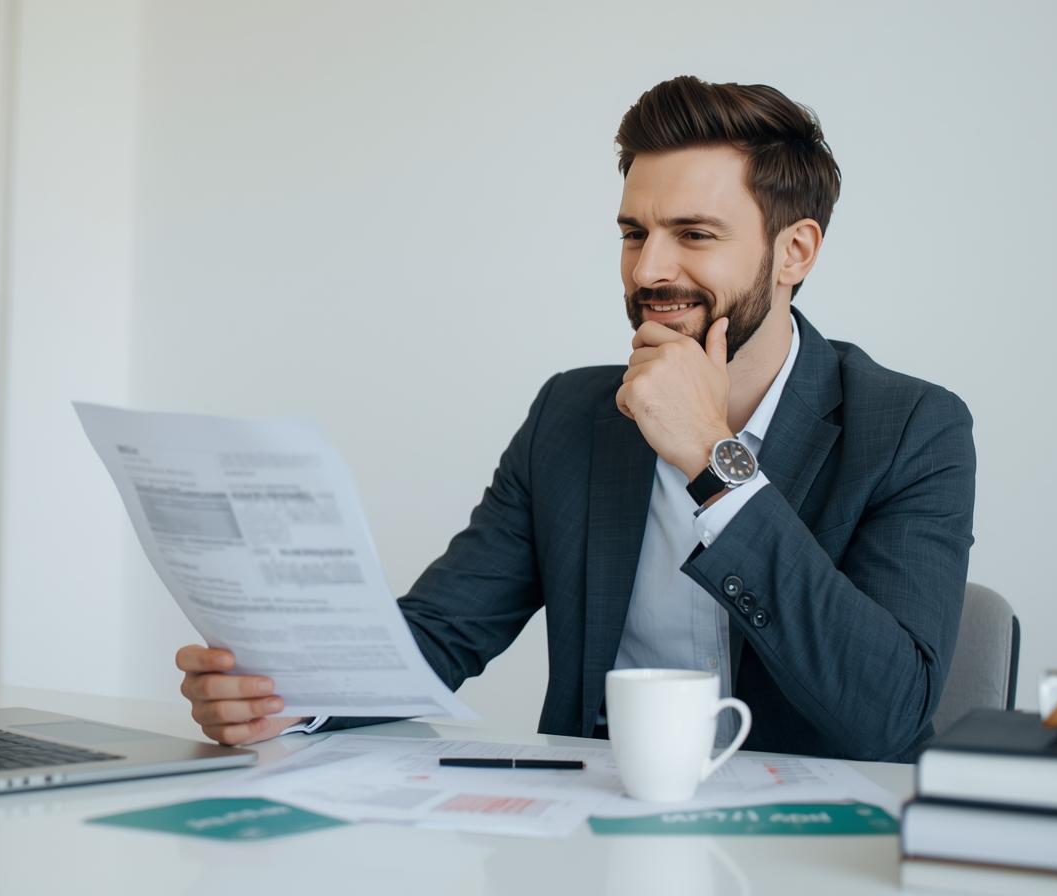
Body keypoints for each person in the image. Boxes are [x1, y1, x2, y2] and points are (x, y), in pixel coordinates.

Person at [175, 75, 975, 762]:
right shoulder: (574, 413)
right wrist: (288, 697)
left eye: (694, 234)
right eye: (635, 234)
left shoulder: (912, 429)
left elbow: (888, 717)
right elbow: (446, 631)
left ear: (796, 251)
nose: (651, 269)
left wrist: (713, 456)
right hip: (594, 831)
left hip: (808, 849)